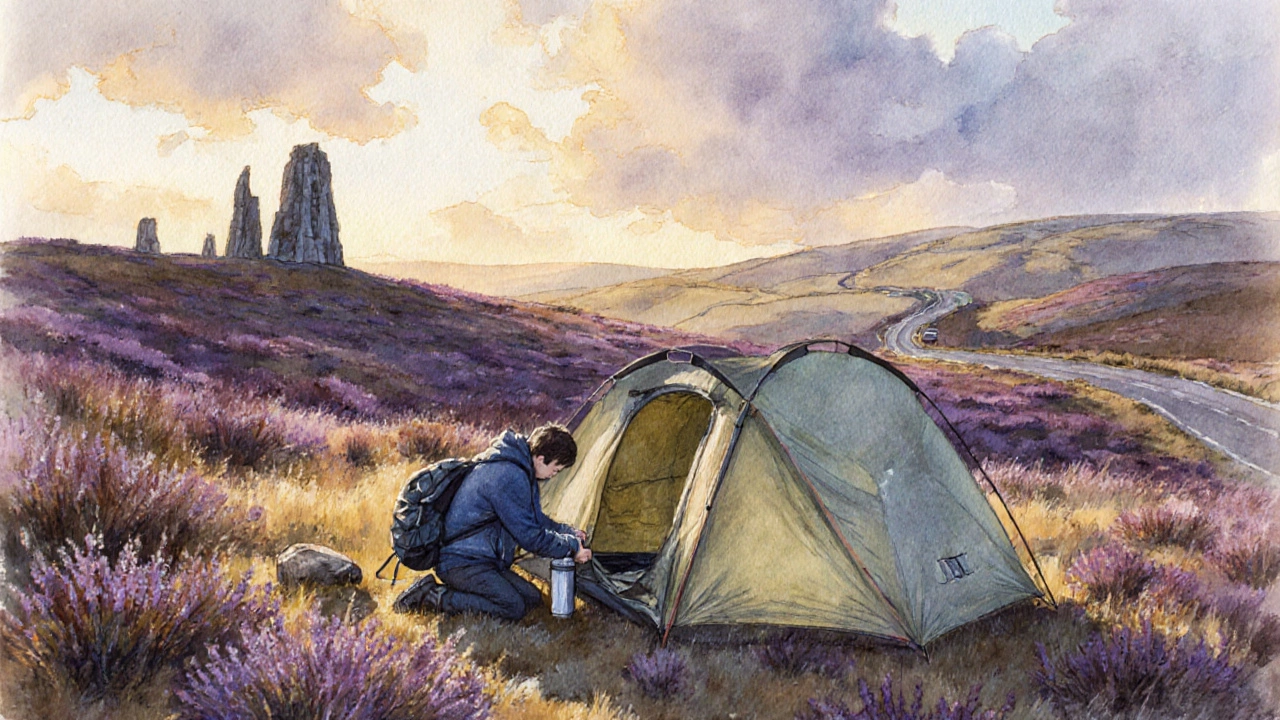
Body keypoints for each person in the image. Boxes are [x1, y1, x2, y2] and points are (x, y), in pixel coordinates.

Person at [393, 423, 592, 619]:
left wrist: (567, 531)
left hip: (483, 560)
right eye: (555, 469)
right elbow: (531, 537)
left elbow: (534, 519)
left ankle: (449, 593)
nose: (553, 476)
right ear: (541, 458)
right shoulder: (510, 476)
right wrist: (572, 547)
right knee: (513, 607)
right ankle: (433, 596)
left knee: (531, 599)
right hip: (461, 562)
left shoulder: (517, 467)